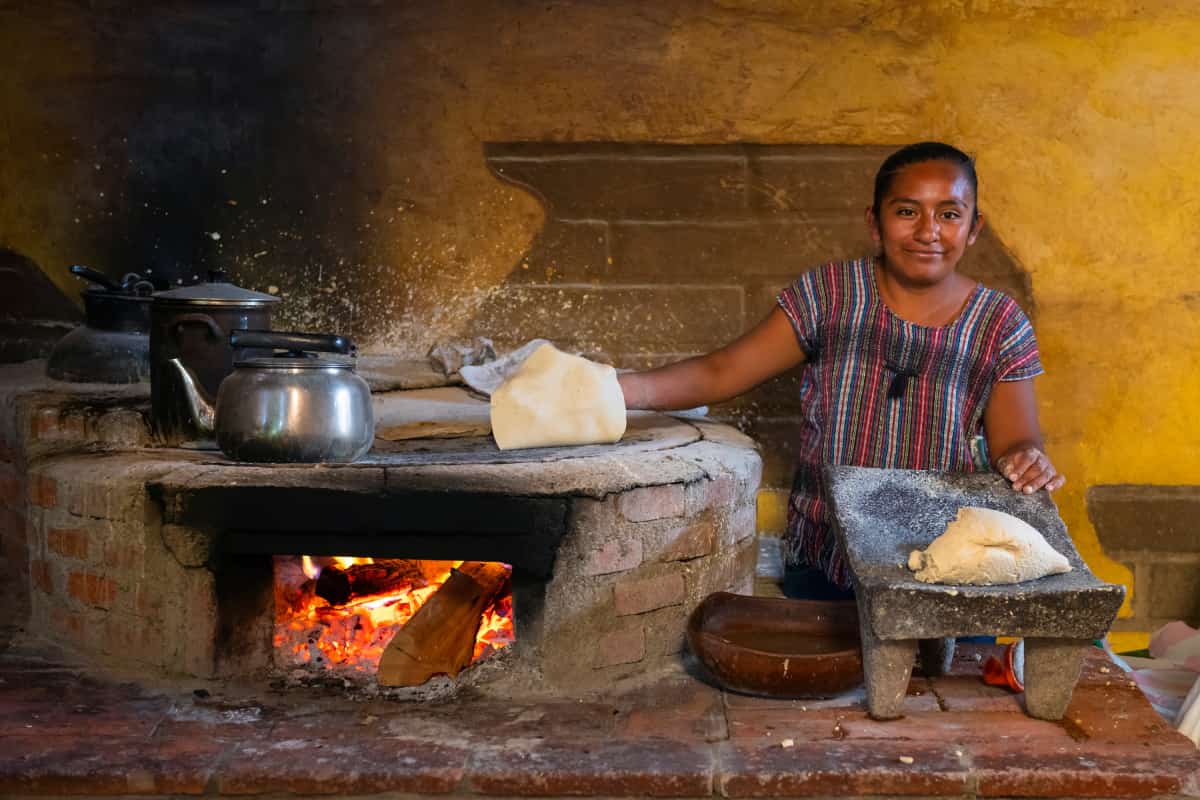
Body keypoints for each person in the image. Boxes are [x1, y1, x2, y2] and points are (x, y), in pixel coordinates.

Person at [617, 141, 1064, 600]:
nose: (928, 231)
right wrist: (612, 391)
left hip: (952, 565)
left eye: (949, 214)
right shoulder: (830, 295)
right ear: (875, 222)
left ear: (974, 228)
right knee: (829, 669)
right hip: (827, 557)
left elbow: (1016, 441)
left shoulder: (999, 323)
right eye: (907, 212)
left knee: (944, 673)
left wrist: (1025, 460)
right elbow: (721, 372)